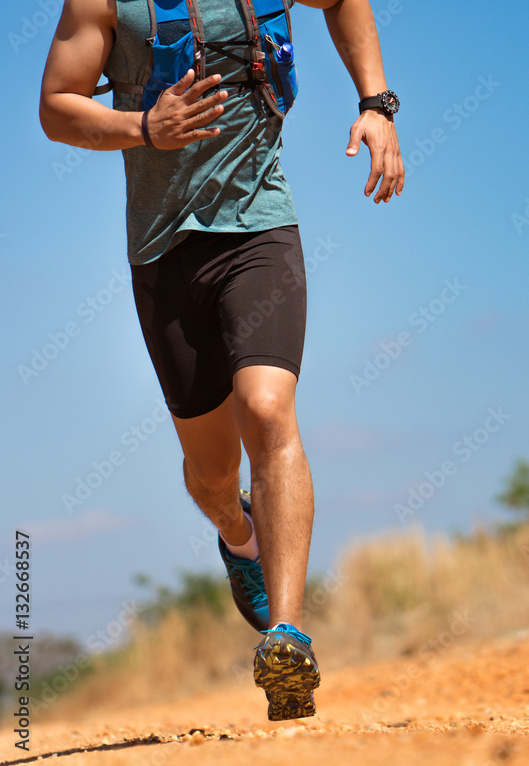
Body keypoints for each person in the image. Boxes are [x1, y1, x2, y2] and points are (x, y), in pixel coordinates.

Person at [39, 0, 403, 721]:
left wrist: (377, 104)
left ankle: (287, 639)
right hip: (163, 253)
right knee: (210, 475)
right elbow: (57, 108)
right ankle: (239, 537)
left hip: (259, 230)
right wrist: (145, 127)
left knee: (268, 410)